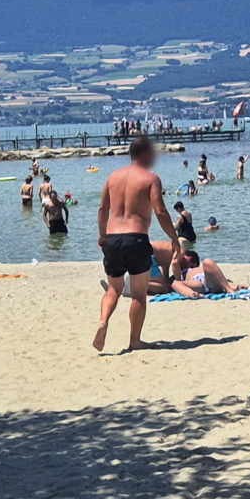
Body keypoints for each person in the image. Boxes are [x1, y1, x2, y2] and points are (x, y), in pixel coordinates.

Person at [94, 137, 180, 353]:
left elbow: (103, 209)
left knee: (113, 289)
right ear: (145, 154)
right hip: (136, 238)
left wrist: (102, 235)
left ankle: (103, 321)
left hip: (112, 238)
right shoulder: (150, 178)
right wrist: (173, 237)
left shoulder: (113, 177)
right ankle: (135, 341)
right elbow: (160, 211)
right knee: (139, 294)